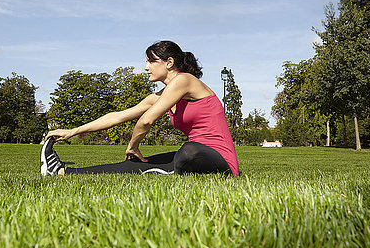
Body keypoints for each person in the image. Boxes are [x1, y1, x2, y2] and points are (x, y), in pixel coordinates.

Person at [40, 40, 239, 177]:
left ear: (169, 62)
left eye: (151, 61)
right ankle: (60, 171)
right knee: (137, 164)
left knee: (188, 151)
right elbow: (117, 117)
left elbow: (146, 121)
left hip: (218, 160)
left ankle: (167, 171)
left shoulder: (185, 80)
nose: (146, 67)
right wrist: (73, 131)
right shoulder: (163, 95)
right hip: (190, 158)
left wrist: (133, 146)